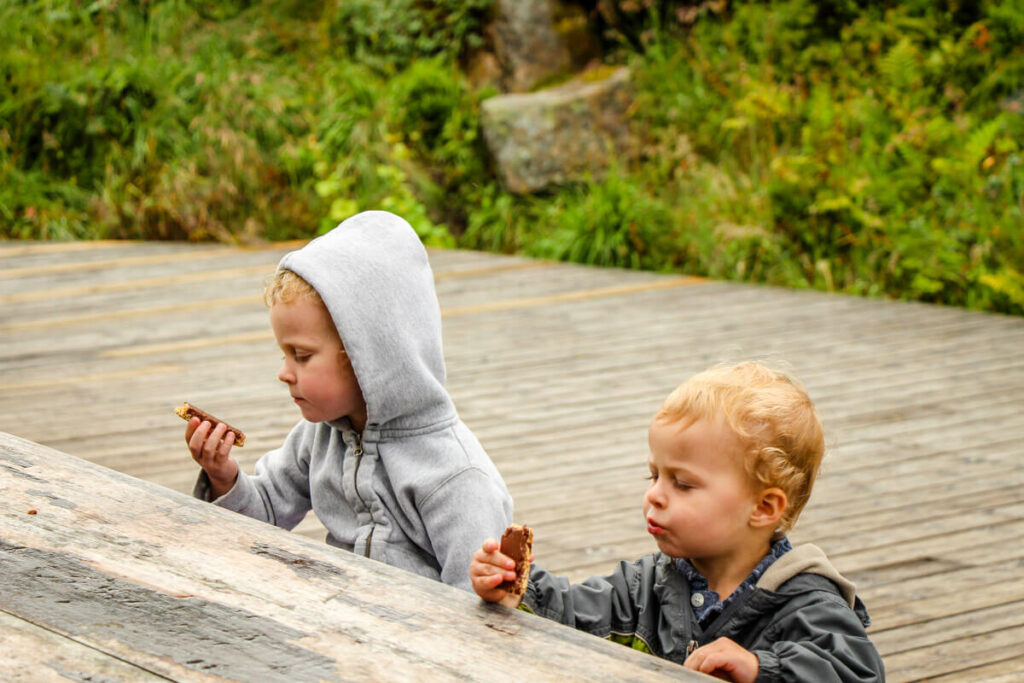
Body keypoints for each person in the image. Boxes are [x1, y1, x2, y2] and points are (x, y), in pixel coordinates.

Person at [470, 361, 884, 681]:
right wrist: (518, 590)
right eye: (654, 476)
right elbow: (576, 614)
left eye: (682, 484)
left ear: (763, 507)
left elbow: (858, 672)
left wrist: (762, 668)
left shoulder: (805, 603)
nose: (654, 494)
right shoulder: (644, 587)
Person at [185, 210, 513, 590]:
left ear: (366, 357)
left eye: (302, 356)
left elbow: (481, 604)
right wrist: (224, 477)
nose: (284, 373)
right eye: (284, 355)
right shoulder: (320, 436)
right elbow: (268, 509)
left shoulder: (456, 476)